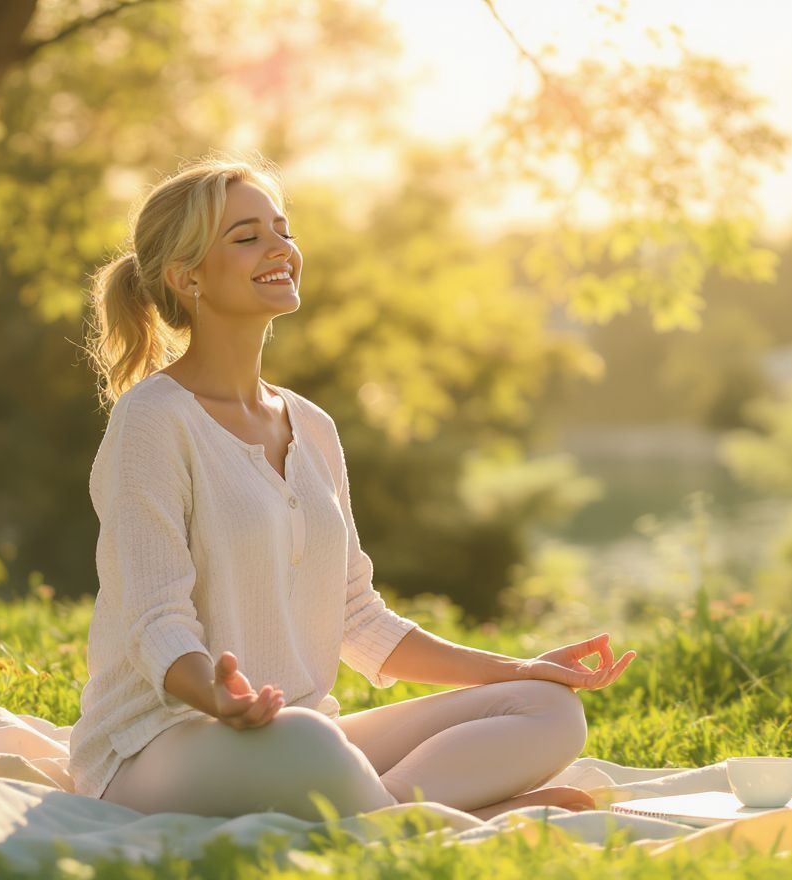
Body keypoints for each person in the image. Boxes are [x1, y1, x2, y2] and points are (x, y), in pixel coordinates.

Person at [69, 150, 637, 822]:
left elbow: (357, 617)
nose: (279, 248)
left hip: (295, 732)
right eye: (247, 237)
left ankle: (395, 808)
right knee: (309, 743)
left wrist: (518, 669)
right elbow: (155, 622)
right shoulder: (153, 421)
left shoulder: (310, 426)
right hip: (158, 744)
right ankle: (455, 818)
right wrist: (220, 698)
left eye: (282, 230)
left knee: (550, 711)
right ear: (186, 276)